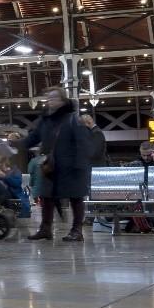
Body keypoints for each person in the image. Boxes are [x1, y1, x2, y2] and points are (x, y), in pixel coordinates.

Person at [23, 87, 92, 242]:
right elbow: (33, 137)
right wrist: (16, 144)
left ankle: (77, 230)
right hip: (52, 166)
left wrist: (80, 164)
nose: (50, 100)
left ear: (62, 100)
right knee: (46, 196)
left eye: (54, 97)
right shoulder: (45, 120)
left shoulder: (74, 118)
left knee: (76, 198)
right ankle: (45, 229)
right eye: (48, 98)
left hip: (72, 166)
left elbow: (83, 143)